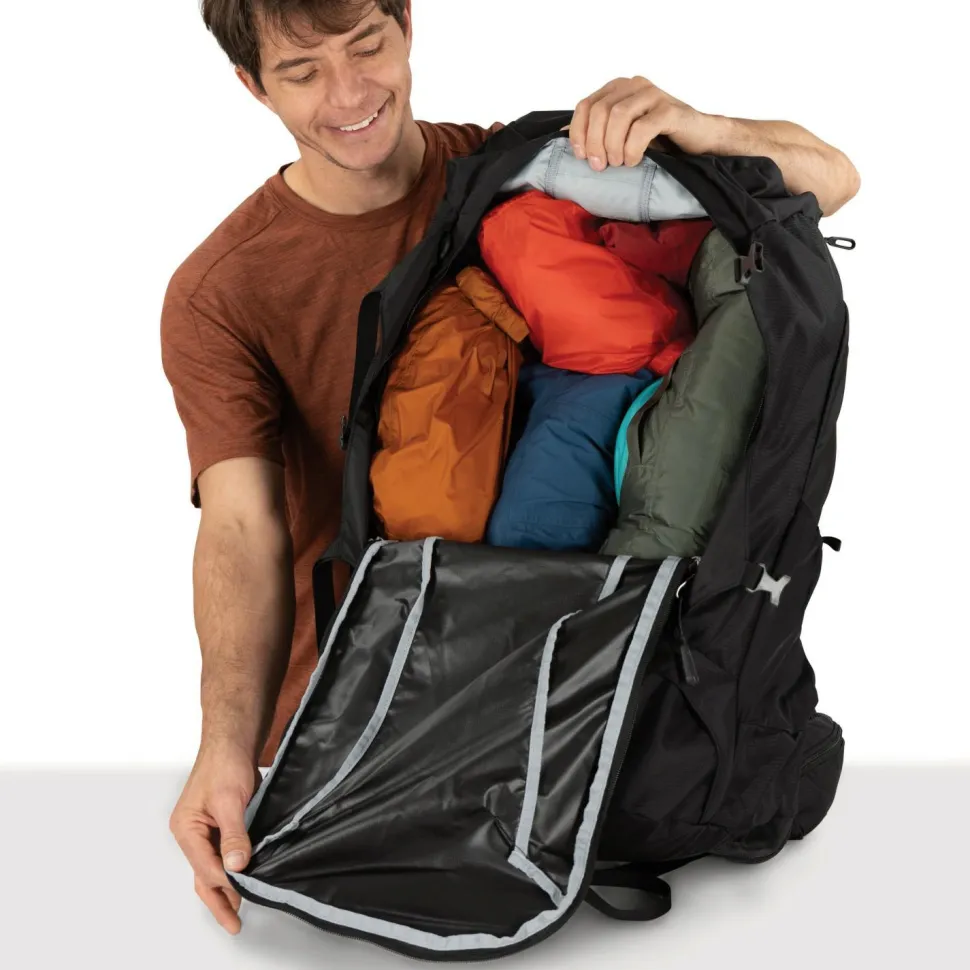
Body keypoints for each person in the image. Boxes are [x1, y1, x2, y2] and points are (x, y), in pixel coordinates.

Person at [161, 0, 860, 937]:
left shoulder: (507, 170)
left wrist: (697, 127)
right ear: (252, 85)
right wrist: (224, 748)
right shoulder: (222, 290)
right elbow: (241, 528)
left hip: (630, 703)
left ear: (407, 25)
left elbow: (833, 180)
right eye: (303, 72)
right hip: (373, 721)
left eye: (368, 45)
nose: (350, 92)